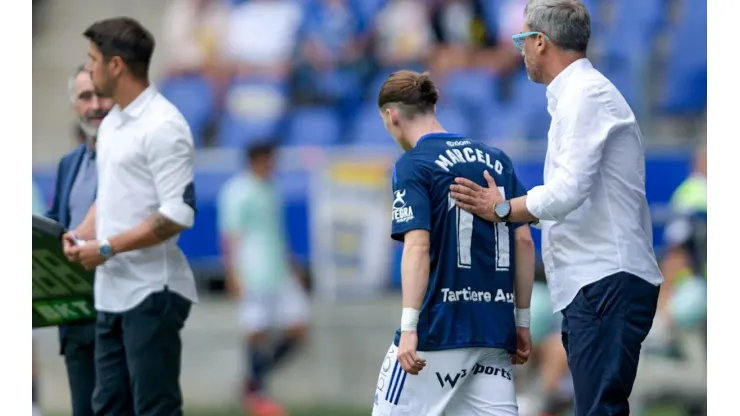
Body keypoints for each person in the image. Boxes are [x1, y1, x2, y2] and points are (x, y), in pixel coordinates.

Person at [448, 1, 664, 415]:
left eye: (521, 40)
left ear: (541, 42)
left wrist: (502, 208)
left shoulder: (585, 96)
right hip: (598, 279)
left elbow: (566, 192)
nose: (520, 51)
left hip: (605, 277)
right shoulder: (579, 96)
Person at [370, 70, 536, 416]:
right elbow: (523, 241)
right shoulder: (497, 159)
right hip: (494, 332)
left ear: (392, 116)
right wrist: (522, 322)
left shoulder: (413, 165)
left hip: (438, 332)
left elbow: (417, 245)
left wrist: (410, 328)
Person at [64, 17, 198, 416]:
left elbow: (177, 214)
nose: (88, 69)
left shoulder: (164, 125)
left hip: (152, 292)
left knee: (154, 409)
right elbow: (108, 198)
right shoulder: (113, 125)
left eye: (92, 60)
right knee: (109, 408)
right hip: (112, 293)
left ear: (116, 65)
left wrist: (105, 247)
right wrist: (81, 235)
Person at [217, 141, 310, 416]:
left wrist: (293, 265)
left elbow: (278, 231)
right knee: (256, 332)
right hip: (252, 271)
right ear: (256, 160)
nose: (273, 166)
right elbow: (230, 235)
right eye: (270, 160)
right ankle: (258, 393)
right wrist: (231, 272)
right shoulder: (237, 191)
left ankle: (252, 383)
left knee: (298, 329)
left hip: (278, 270)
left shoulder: (272, 189)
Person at [46, 65, 114, 416]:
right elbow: (57, 227)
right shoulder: (68, 163)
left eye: (101, 94)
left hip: (119, 310)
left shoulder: (131, 157)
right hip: (75, 315)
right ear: (74, 104)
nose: (95, 104)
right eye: (85, 96)